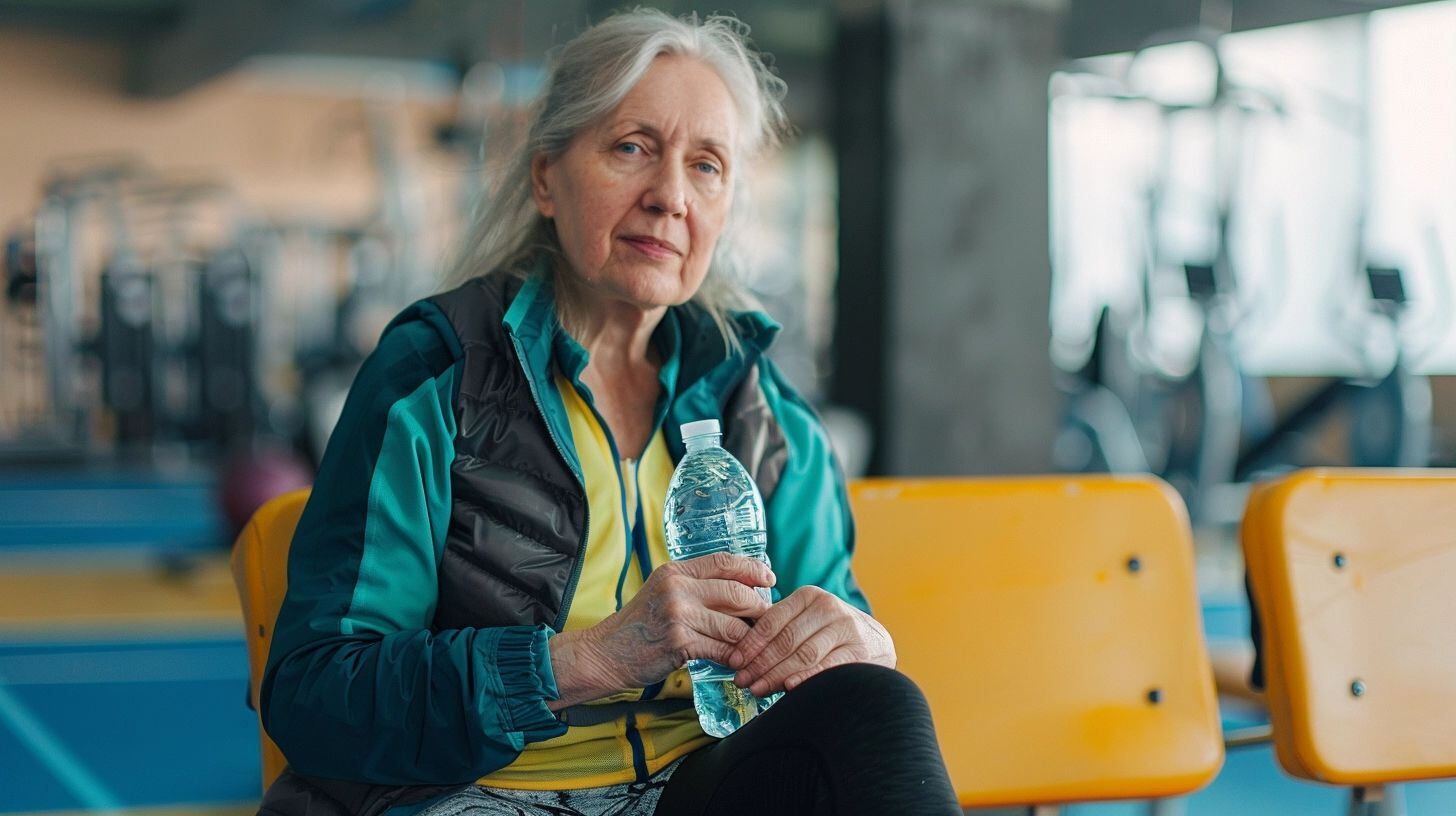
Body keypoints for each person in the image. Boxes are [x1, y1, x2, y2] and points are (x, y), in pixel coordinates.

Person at [258, 9, 959, 816]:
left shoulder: (763, 415)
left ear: (726, 208)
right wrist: (589, 659)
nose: (669, 197)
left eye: (707, 167)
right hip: (474, 794)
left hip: (691, 790)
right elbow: (317, 692)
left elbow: (829, 640)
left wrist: (862, 646)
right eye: (632, 147)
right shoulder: (433, 375)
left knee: (879, 706)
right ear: (546, 175)